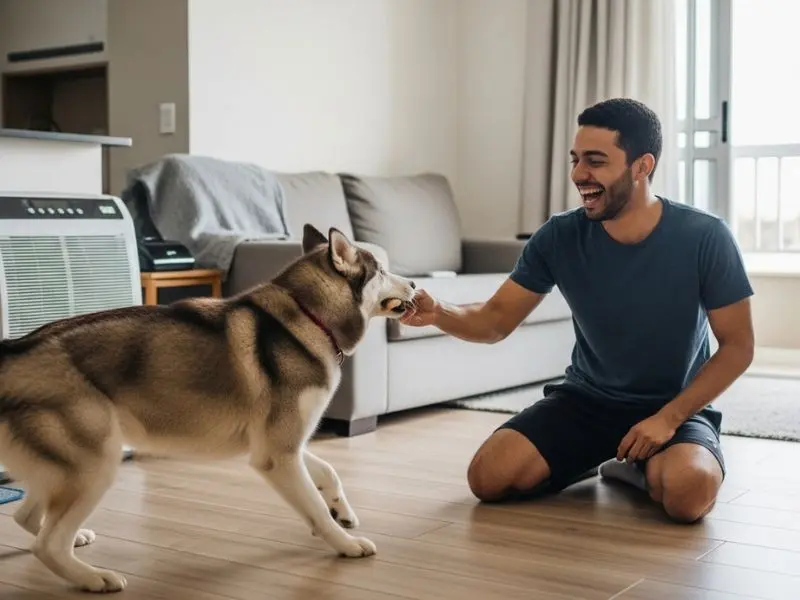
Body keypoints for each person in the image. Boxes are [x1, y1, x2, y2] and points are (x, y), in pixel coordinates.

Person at [401, 98, 754, 524]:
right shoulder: (559, 236)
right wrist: (438, 312)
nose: (578, 175)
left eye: (595, 161)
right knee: (489, 479)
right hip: (587, 402)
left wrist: (668, 419)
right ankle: (589, 457)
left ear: (642, 166)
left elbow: (738, 346)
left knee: (687, 494)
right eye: (575, 160)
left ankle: (637, 469)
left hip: (674, 407)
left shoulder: (705, 236)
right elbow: (495, 321)